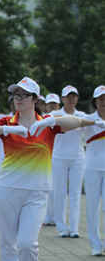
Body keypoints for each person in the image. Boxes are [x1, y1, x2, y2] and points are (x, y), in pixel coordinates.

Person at [0, 76, 94, 261]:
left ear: (35, 99)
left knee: (28, 243)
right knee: (8, 244)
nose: (18, 99)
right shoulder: (7, 122)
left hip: (37, 192)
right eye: (15, 95)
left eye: (23, 95)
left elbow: (77, 122)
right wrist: (7, 128)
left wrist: (49, 123)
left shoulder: (48, 124)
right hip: (8, 190)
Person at [50, 86, 87, 238]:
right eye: (68, 97)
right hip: (59, 157)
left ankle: (74, 228)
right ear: (63, 99)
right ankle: (61, 226)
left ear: (77, 98)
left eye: (74, 97)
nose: (71, 99)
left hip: (77, 158)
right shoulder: (55, 114)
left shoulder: (82, 115)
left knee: (75, 193)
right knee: (60, 192)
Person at [84, 85, 105, 256]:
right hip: (92, 167)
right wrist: (94, 122)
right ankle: (95, 244)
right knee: (92, 207)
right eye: (101, 99)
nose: (104, 102)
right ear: (95, 102)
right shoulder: (87, 119)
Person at [43, 93, 61, 226]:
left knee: (57, 188)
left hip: (58, 156)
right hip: (45, 156)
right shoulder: (43, 119)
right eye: (50, 104)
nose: (52, 107)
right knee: (46, 187)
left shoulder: (62, 118)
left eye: (54, 104)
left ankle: (55, 216)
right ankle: (47, 215)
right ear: (46, 106)